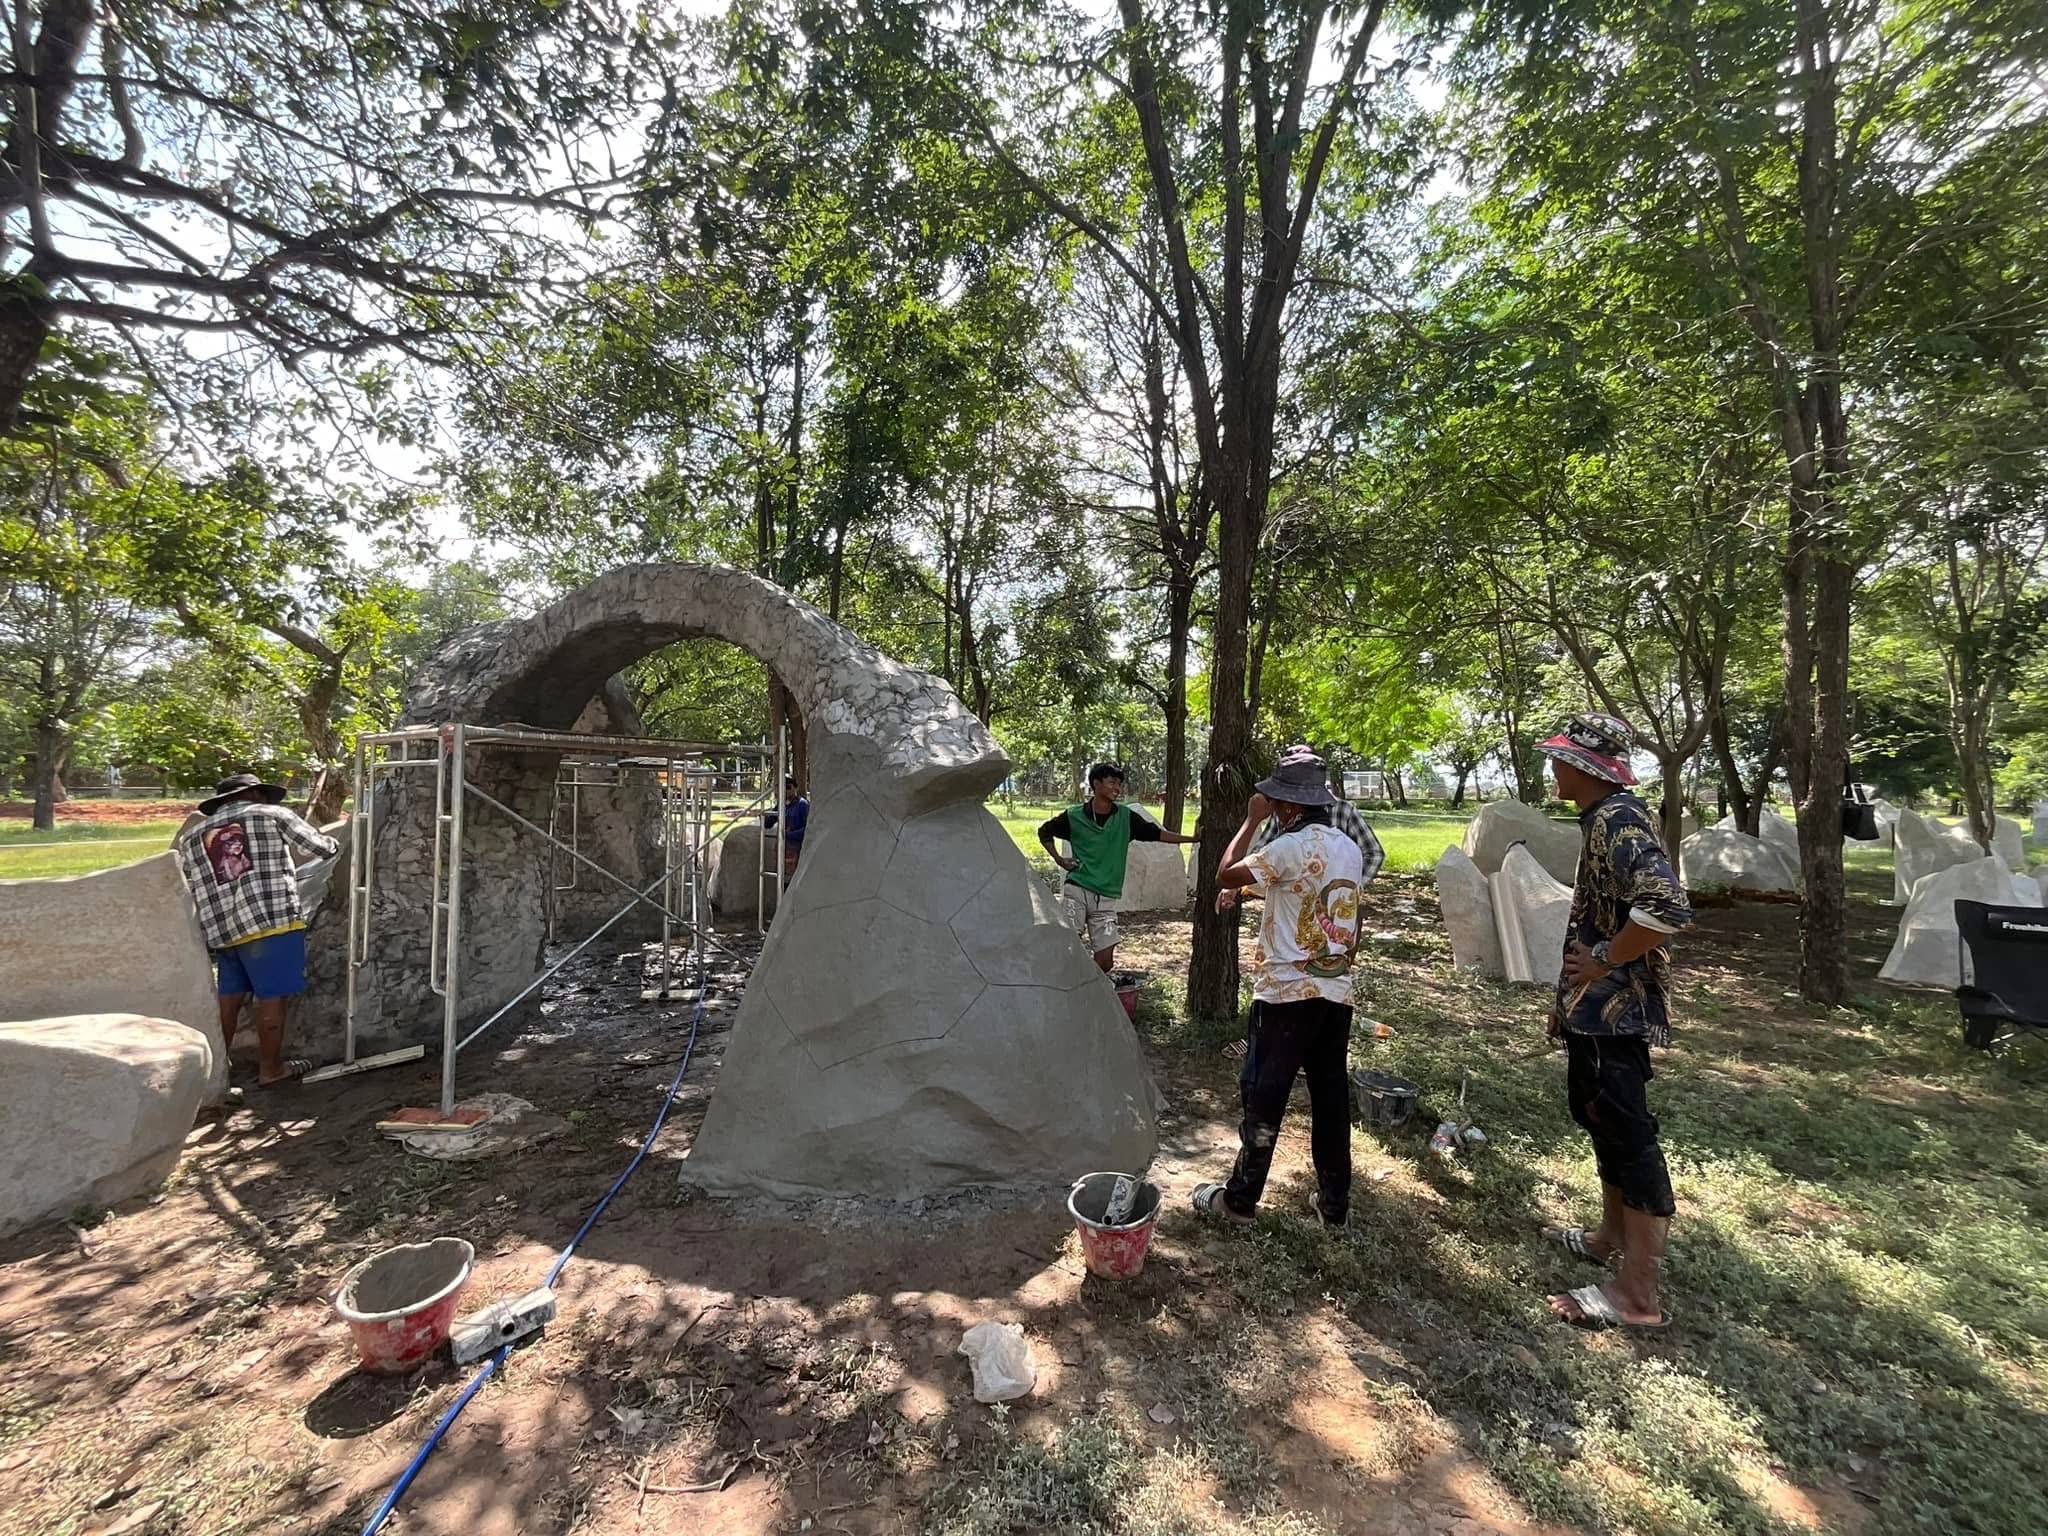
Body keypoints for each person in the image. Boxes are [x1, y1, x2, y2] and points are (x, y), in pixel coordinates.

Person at [1534, 712, 1692, 1331]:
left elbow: (1667, 905)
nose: (1554, 767)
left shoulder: (1618, 820)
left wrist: (1604, 959)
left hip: (1615, 1015)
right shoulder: (1602, 817)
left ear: (1584, 766)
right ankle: (1608, 1238)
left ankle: (1637, 1295)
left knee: (1629, 1136)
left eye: (1560, 758)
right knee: (1597, 1115)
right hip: (1593, 1013)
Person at [1191, 752, 1364, 1228]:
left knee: (1264, 1095)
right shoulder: (1347, 848)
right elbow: (1331, 903)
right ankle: (1334, 1208)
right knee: (1330, 1099)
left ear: (1288, 806)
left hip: (1286, 995)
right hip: (1334, 991)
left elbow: (1225, 871)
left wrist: (1250, 821)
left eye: (1275, 802)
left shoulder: (1288, 845)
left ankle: (1239, 1201)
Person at [172, 772, 339, 1087]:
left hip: (223, 931)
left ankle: (214, 1074)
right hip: (271, 922)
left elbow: (190, 881)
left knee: (229, 999)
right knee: (272, 996)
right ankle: (271, 1069)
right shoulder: (271, 814)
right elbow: (321, 848)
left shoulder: (192, 837)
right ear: (257, 794)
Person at [1037, 762, 1197, 972]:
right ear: (1096, 784)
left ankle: (1088, 985)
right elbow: (1044, 832)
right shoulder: (1074, 815)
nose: (1117, 788)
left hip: (1106, 897)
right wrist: (1059, 859)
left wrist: (1192, 838)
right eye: (1112, 782)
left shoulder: (1125, 817)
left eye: (1119, 784)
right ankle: (1062, 985)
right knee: (1068, 945)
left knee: (1105, 961)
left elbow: (1157, 834)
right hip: (1077, 888)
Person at [763, 776, 809, 877]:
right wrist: (764, 816)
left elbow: (808, 828)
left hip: (797, 847)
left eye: (788, 787)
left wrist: (789, 834)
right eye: (783, 788)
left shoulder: (802, 805)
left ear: (795, 788)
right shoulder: (781, 805)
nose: (786, 791)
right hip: (782, 847)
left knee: (795, 877)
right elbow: (769, 823)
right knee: (781, 877)